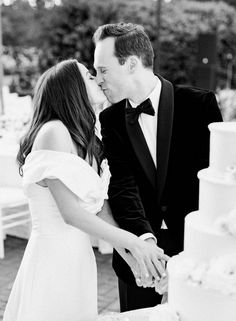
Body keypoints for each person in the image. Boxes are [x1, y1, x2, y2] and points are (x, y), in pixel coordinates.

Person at [3, 59, 168, 321]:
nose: (98, 79)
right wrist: (136, 244)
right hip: (52, 259)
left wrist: (134, 261)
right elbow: (72, 214)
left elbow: (100, 210)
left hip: (80, 258)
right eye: (90, 77)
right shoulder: (53, 132)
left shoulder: (89, 139)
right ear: (72, 89)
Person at [93, 22, 223, 312]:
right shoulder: (110, 118)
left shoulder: (199, 104)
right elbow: (122, 183)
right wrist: (144, 242)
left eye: (103, 70)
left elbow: (215, 180)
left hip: (195, 251)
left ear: (131, 64)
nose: (98, 79)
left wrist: (195, 251)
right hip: (139, 254)